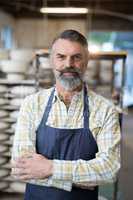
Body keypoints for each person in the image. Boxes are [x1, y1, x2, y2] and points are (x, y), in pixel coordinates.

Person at [11, 29, 121, 200]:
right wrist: (82, 180)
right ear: (51, 60)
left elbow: (109, 170)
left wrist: (49, 168)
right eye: (61, 57)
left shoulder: (105, 110)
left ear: (86, 61)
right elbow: (22, 168)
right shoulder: (32, 104)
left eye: (76, 57)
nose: (68, 64)